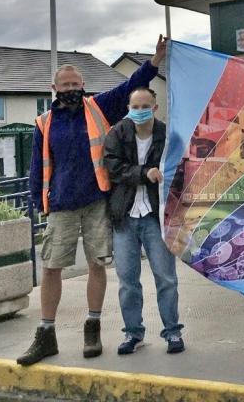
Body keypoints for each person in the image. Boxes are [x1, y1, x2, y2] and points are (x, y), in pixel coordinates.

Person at [17, 35, 167, 366]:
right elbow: (36, 168)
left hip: (97, 201)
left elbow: (134, 83)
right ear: (54, 88)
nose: (71, 87)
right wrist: (36, 204)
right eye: (65, 84)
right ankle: (46, 335)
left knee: (97, 264)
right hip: (60, 206)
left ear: (83, 84)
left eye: (75, 83)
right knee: (51, 268)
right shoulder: (44, 123)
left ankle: (93, 327)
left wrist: (155, 61)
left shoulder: (98, 107)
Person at [103, 87, 184, 355]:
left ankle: (172, 332)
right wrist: (143, 173)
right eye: (134, 106)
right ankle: (133, 333)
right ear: (128, 108)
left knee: (166, 278)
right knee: (127, 280)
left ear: (155, 107)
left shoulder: (168, 136)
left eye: (144, 106)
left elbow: (182, 171)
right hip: (124, 216)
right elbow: (112, 167)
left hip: (155, 217)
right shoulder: (117, 133)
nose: (139, 111)